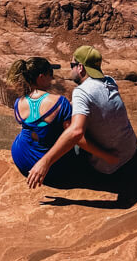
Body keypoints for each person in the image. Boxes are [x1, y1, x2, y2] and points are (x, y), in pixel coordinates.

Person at [26, 45, 137, 189]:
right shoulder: (110, 81)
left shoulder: (81, 91)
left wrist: (44, 162)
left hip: (107, 167)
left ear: (80, 67)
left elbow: (76, 132)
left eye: (72, 65)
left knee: (63, 130)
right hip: (130, 151)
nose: (70, 70)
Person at [7, 56, 115, 184]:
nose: (52, 77)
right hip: (51, 169)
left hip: (21, 158)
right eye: (50, 74)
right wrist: (107, 156)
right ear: (41, 77)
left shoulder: (18, 102)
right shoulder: (59, 103)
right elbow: (77, 138)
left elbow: (35, 123)